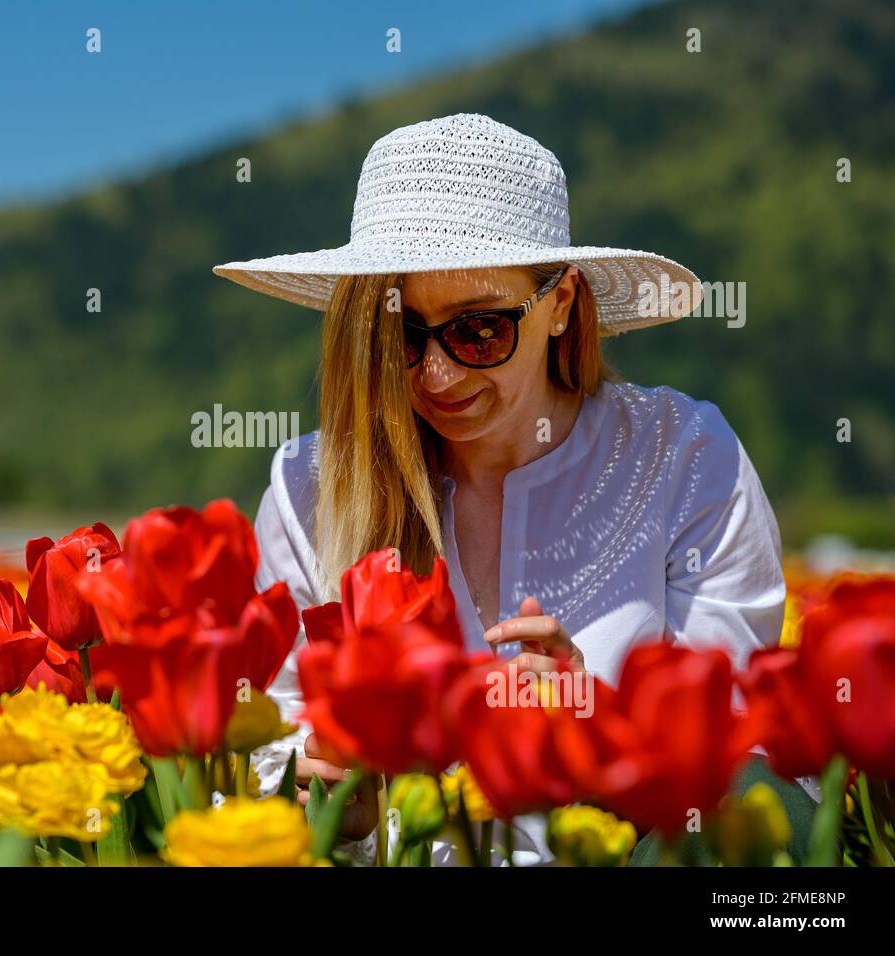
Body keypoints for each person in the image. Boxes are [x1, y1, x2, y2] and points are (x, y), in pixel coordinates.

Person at [212, 113, 786, 863]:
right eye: (402, 334)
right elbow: (264, 759)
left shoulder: (681, 458)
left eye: (478, 330)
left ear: (560, 304)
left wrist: (598, 729)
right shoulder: (310, 488)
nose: (437, 374)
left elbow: (735, 763)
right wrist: (331, 813)